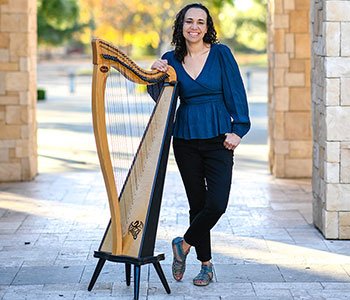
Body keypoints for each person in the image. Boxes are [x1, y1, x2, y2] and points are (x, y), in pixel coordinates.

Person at [150, 3, 250, 286]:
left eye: (200, 22)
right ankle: (205, 265)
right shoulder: (171, 58)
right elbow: (162, 98)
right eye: (189, 22)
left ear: (208, 27)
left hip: (219, 137)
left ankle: (183, 244)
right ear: (181, 26)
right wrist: (156, 73)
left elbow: (236, 92)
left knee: (216, 203)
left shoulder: (221, 54)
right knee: (198, 204)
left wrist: (239, 129)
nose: (194, 27)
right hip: (184, 139)